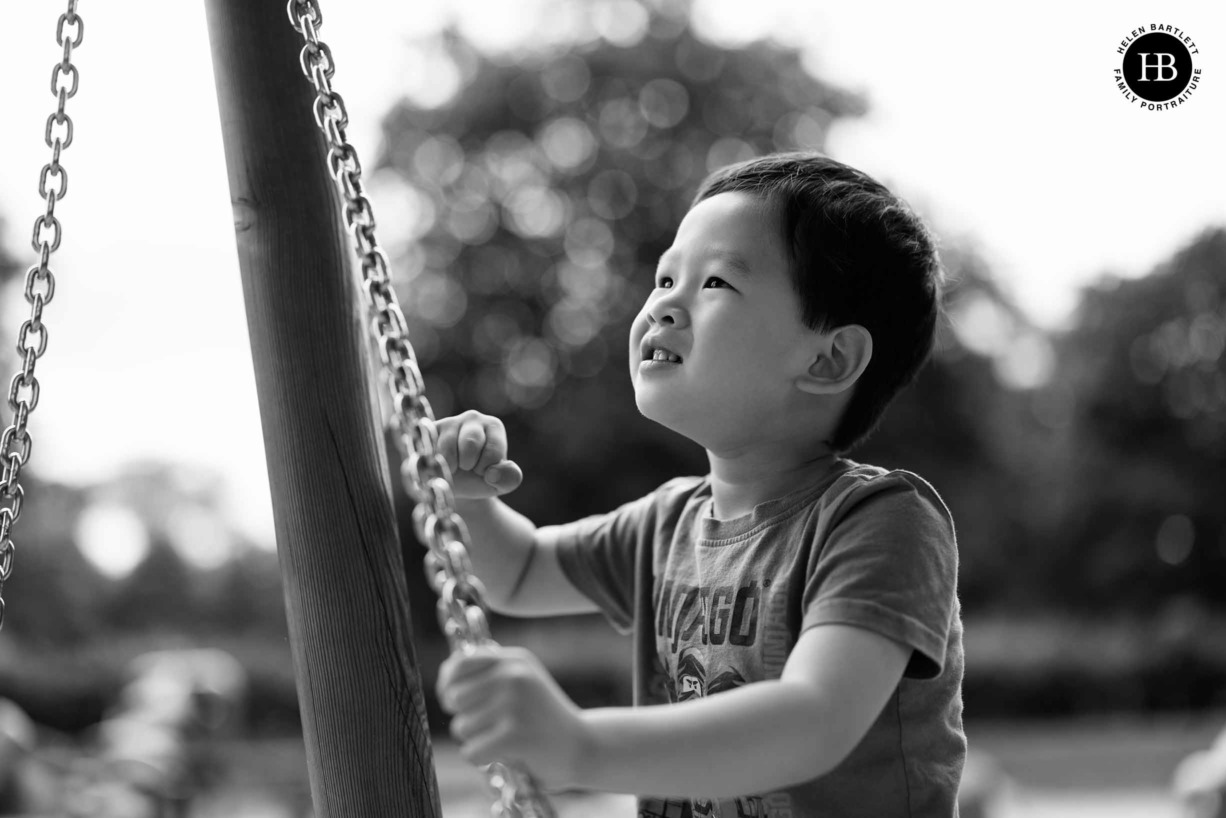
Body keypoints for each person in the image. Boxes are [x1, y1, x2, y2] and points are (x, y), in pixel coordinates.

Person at [435, 152, 965, 817]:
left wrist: (581, 746)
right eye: (665, 277)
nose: (664, 305)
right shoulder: (665, 526)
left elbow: (817, 717)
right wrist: (469, 501)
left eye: (714, 283)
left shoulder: (880, 519)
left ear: (829, 358)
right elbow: (515, 573)